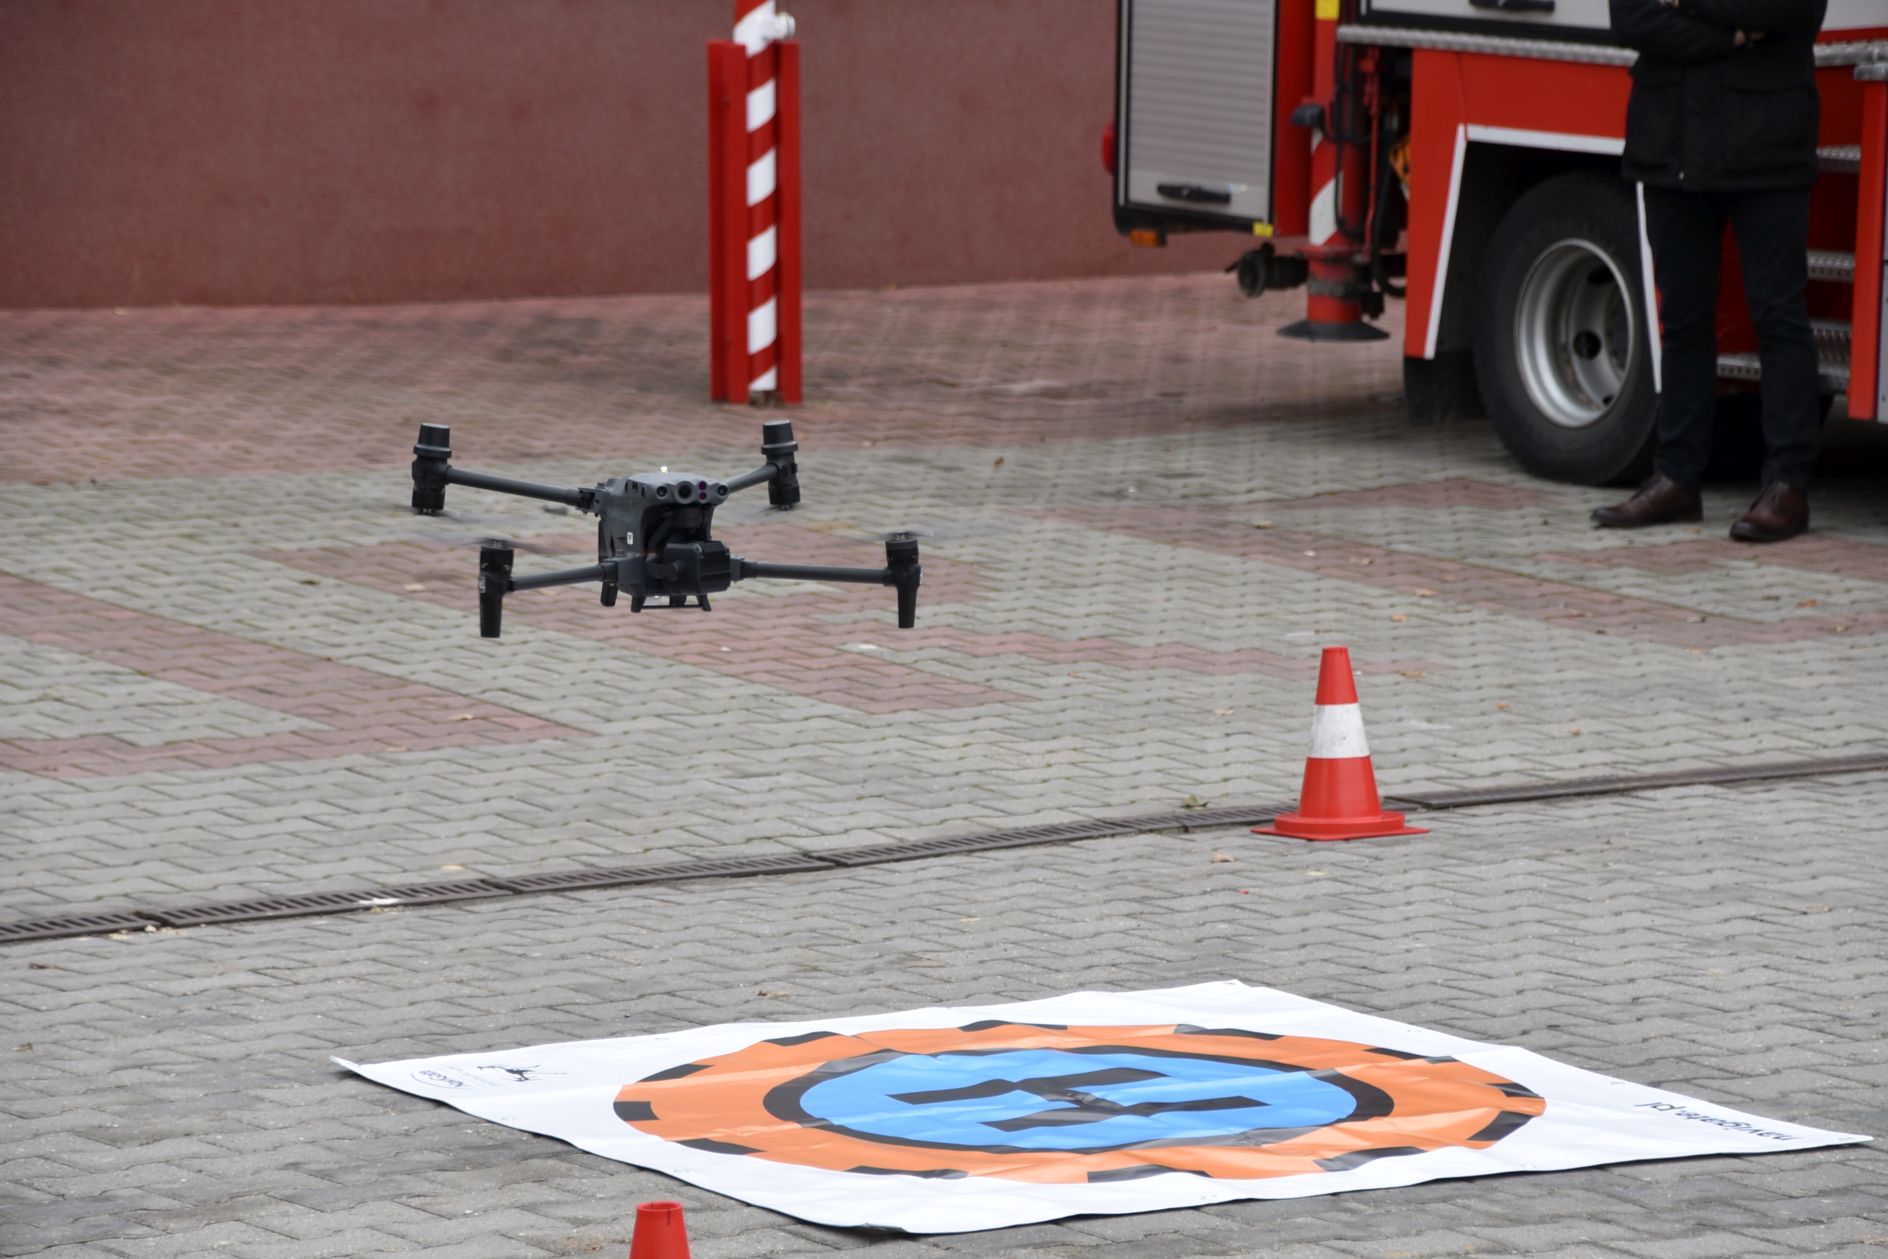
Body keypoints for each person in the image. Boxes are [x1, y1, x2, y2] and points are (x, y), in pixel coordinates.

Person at [1594, 0, 1828, 541]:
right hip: (1671, 143)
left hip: (1768, 144)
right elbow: (1630, 18)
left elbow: (1792, 9)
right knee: (1683, 320)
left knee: (1779, 318)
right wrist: (1733, 35)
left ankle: (1787, 487)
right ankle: (1677, 478)